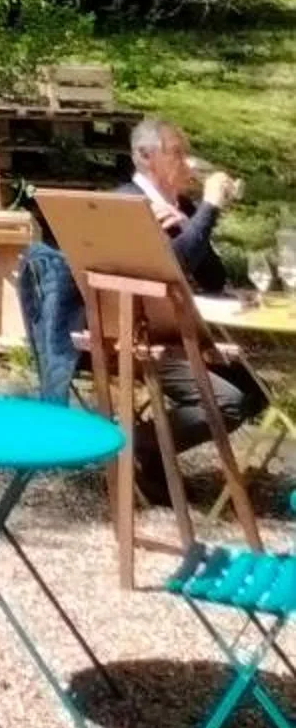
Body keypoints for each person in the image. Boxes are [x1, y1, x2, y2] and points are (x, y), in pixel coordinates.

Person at [118, 115, 262, 484]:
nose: (189, 163)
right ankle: (135, 446)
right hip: (139, 335)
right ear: (147, 157)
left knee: (258, 389)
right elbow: (173, 267)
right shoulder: (128, 205)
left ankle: (153, 458)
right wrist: (209, 209)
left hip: (180, 331)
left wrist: (191, 221)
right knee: (228, 401)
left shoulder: (179, 205)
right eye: (177, 154)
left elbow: (212, 277)